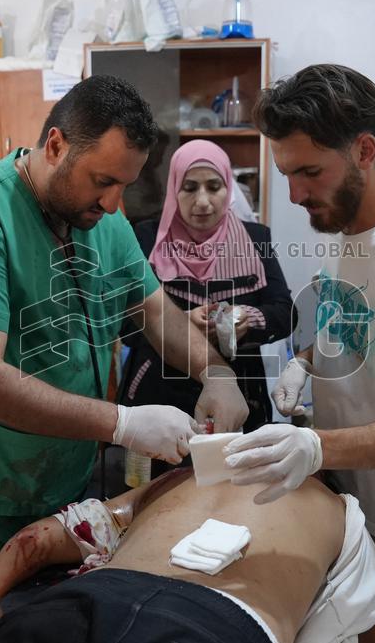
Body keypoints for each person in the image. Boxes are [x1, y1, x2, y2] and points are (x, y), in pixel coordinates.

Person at [0, 75, 250, 639]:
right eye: (102, 181)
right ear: (55, 146)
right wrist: (123, 423)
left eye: (126, 185)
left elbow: (155, 311)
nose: (114, 203)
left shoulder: (104, 220)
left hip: (63, 484)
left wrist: (217, 372)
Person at [220, 64, 375, 643]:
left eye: (309, 171)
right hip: (343, 477)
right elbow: (353, 327)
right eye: (285, 173)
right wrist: (305, 361)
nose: (295, 193)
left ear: (364, 149)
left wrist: (313, 445)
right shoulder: (349, 230)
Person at [0, 467, 375, 643]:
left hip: (85, 602)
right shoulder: (339, 512)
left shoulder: (180, 480)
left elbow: (31, 543)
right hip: (209, 625)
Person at [120, 139, 296, 435]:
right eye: (189, 188)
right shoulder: (147, 239)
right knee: (161, 481)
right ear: (174, 190)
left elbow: (286, 313)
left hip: (239, 396)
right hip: (160, 397)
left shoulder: (256, 239)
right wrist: (178, 324)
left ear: (229, 188)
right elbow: (123, 325)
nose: (203, 201)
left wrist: (245, 318)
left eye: (214, 187)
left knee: (236, 477)